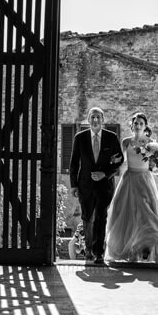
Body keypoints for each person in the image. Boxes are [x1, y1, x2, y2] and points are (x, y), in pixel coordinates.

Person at [105, 112, 158, 264]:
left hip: (144, 180)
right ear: (132, 125)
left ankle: (146, 247)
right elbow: (121, 160)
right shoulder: (125, 142)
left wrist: (155, 162)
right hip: (129, 179)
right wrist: (113, 160)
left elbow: (156, 167)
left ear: (145, 127)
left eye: (141, 124)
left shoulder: (151, 143)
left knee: (147, 212)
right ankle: (130, 250)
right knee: (125, 213)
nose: (137, 126)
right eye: (135, 123)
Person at [69, 107, 123, 265]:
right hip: (84, 186)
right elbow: (73, 163)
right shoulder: (80, 138)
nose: (95, 120)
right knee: (87, 218)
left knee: (101, 218)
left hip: (104, 187)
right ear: (88, 119)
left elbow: (119, 161)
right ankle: (88, 251)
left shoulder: (112, 138)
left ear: (103, 119)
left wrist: (105, 174)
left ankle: (98, 253)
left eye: (98, 117)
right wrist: (73, 186)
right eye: (92, 117)